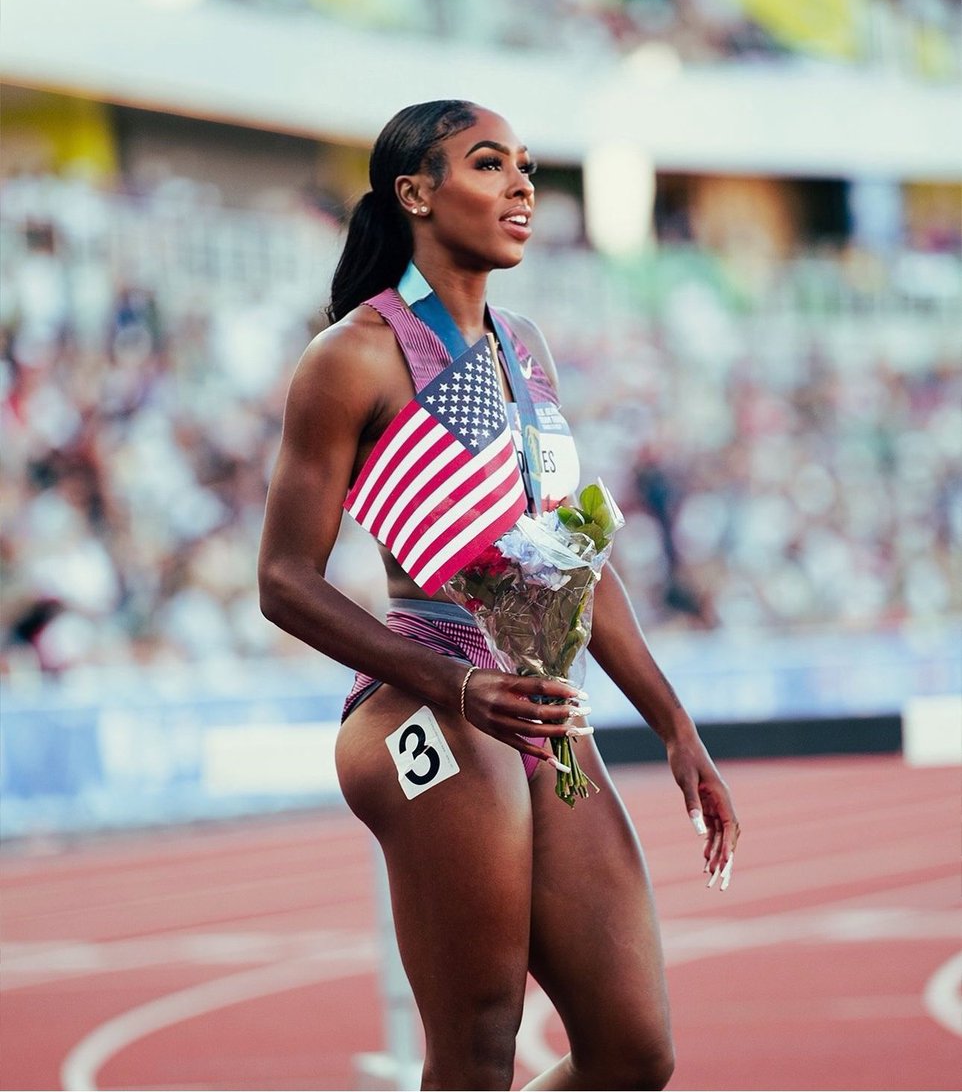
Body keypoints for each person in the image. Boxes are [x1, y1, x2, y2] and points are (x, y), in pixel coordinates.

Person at [258, 100, 740, 1091]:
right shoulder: (353, 354)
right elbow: (282, 580)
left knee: (631, 1053)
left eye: (525, 165)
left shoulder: (525, 349)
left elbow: (569, 564)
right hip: (426, 704)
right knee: (477, 1051)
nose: (522, 186)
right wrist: (458, 688)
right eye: (488, 165)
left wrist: (674, 726)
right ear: (415, 193)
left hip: (535, 701)